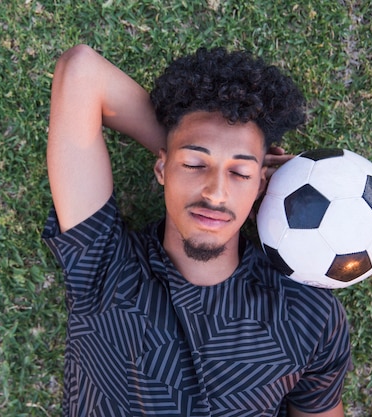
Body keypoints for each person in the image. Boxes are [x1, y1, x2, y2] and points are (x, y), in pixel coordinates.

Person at [42, 44, 351, 417]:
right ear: (161, 169)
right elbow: (81, 71)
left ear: (259, 185)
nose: (216, 192)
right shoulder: (103, 263)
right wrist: (183, 146)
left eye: (239, 173)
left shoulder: (307, 315)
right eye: (194, 164)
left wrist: (194, 154)